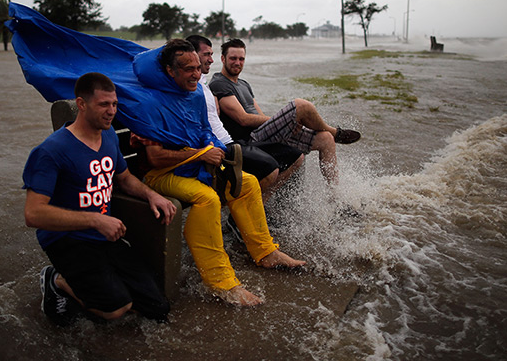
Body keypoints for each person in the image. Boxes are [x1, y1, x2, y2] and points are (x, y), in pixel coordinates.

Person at [131, 39, 306, 307]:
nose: (196, 73)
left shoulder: (195, 97)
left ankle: (266, 252)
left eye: (197, 67)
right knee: (207, 199)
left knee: (246, 182)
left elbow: (204, 133)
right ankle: (220, 283)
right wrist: (201, 155)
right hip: (161, 175)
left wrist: (217, 151)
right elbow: (154, 157)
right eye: (187, 69)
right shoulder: (150, 103)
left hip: (196, 168)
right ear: (170, 71)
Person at [22, 72, 177, 326]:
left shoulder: (108, 136)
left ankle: (101, 285)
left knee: (157, 308)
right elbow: (33, 214)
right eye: (104, 104)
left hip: (104, 235)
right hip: (68, 239)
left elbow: (124, 179)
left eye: (114, 104)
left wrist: (152, 195)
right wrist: (95, 220)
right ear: (81, 104)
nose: (111, 111)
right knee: (116, 308)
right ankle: (56, 280)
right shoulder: (51, 151)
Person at [210, 38, 361, 185]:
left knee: (326, 139)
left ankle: (336, 198)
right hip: (249, 139)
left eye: (241, 59)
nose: (237, 62)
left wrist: (286, 124)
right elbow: (243, 119)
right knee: (301, 106)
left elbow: (259, 116)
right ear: (223, 59)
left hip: (263, 132)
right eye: (233, 58)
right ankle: (336, 133)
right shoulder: (219, 83)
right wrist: (287, 119)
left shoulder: (244, 84)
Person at [185, 34, 304, 202]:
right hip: (225, 145)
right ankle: (238, 218)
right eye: (207, 55)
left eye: (241, 58)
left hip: (234, 142)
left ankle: (268, 205)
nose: (211, 60)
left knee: (296, 155)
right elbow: (243, 119)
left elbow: (256, 115)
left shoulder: (205, 85)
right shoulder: (204, 85)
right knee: (271, 166)